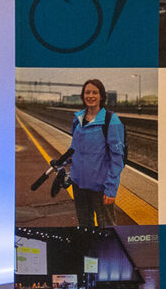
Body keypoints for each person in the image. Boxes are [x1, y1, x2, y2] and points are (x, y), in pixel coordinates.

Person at [69, 78, 125, 228]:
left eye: (95, 92)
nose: (91, 96)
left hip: (100, 187)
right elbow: (74, 149)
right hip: (78, 185)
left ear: (101, 96)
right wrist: (65, 164)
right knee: (84, 226)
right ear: (83, 96)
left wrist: (111, 189)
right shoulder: (78, 119)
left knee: (106, 228)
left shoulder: (111, 120)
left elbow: (117, 158)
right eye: (87, 92)